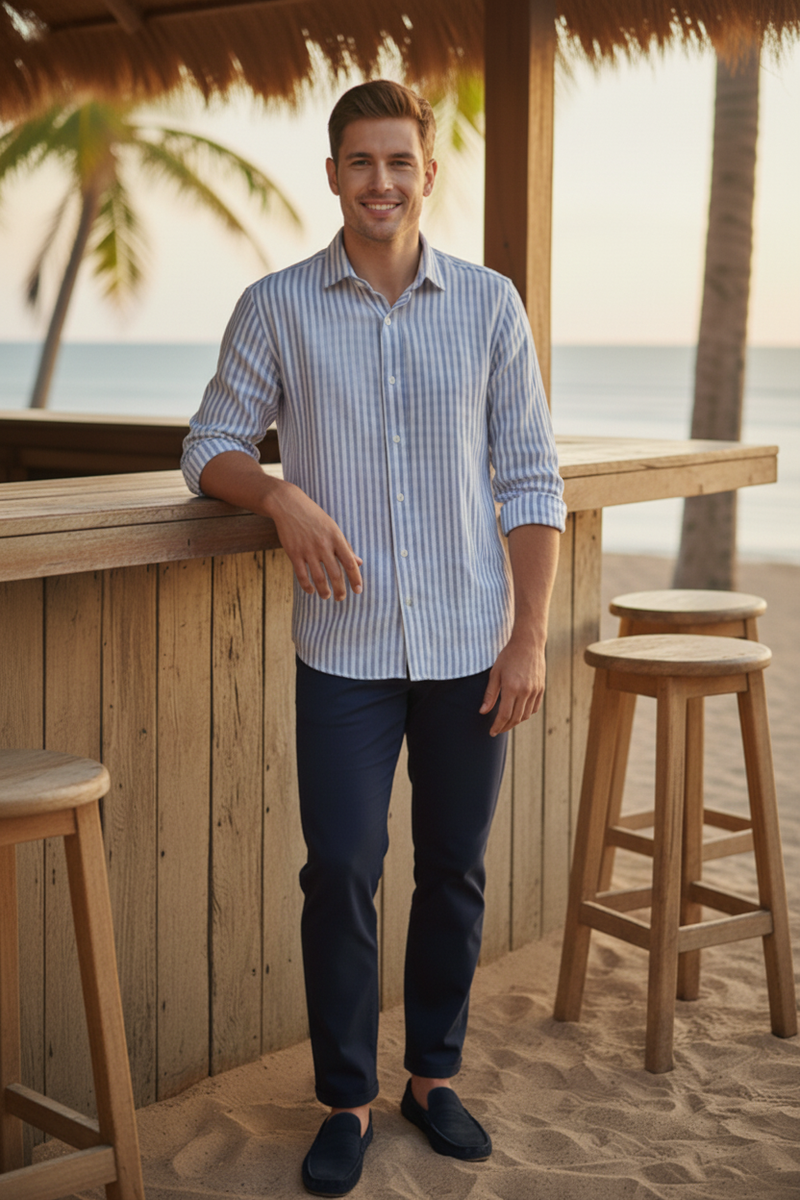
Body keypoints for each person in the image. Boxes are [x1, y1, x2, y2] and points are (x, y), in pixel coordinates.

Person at [182, 79, 566, 1197]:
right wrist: (280, 498)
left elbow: (531, 479)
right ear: (333, 174)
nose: (380, 182)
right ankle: (347, 1097)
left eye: (399, 162)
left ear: (427, 174)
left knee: (453, 869)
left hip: (466, 643)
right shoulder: (277, 306)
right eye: (360, 161)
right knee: (341, 869)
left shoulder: (490, 306)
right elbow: (207, 442)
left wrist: (527, 636)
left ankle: (431, 1078)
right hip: (341, 652)